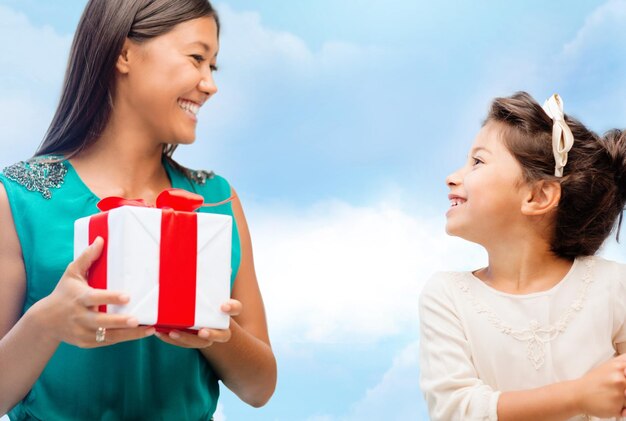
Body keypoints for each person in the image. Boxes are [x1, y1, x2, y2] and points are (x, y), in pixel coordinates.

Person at [0, 0, 277, 419]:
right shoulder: (21, 198)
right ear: (125, 54)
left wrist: (216, 333)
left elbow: (260, 388)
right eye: (196, 58)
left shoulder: (218, 200)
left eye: (213, 67)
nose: (209, 84)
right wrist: (46, 322)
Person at [419, 91, 626, 420]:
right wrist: (578, 396)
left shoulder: (614, 287)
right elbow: (456, 409)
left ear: (539, 195)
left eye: (478, 161)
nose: (452, 176)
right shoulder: (447, 296)